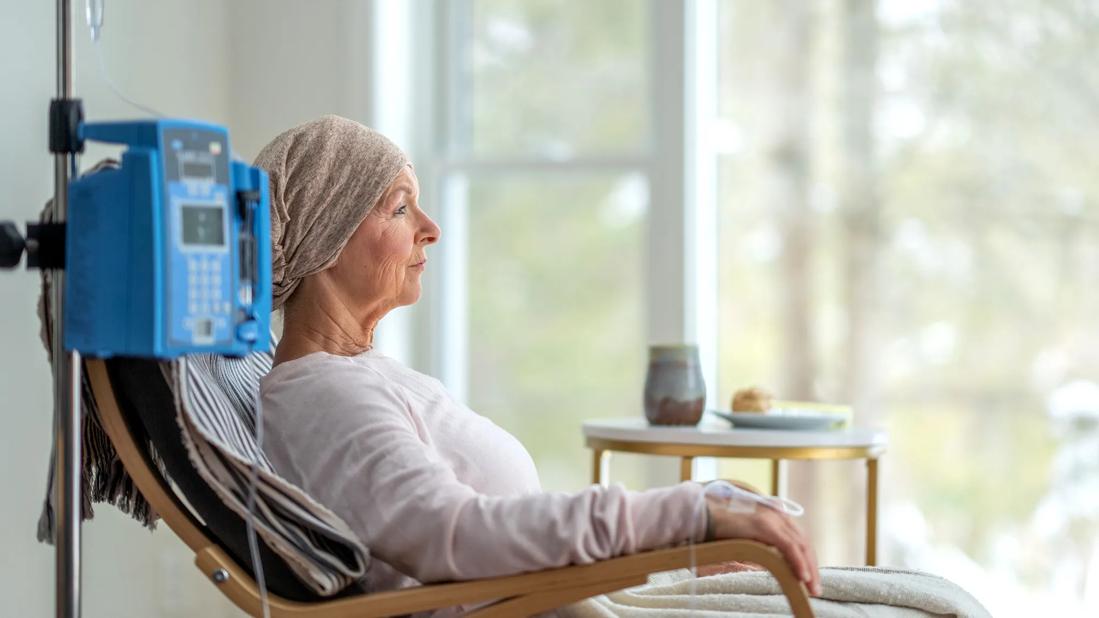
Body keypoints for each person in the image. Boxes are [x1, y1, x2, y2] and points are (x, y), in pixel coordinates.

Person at [255, 115, 820, 608]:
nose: (432, 228)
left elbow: (489, 528)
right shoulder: (322, 393)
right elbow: (453, 536)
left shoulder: (361, 374)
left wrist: (675, 551)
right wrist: (688, 515)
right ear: (325, 237)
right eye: (401, 208)